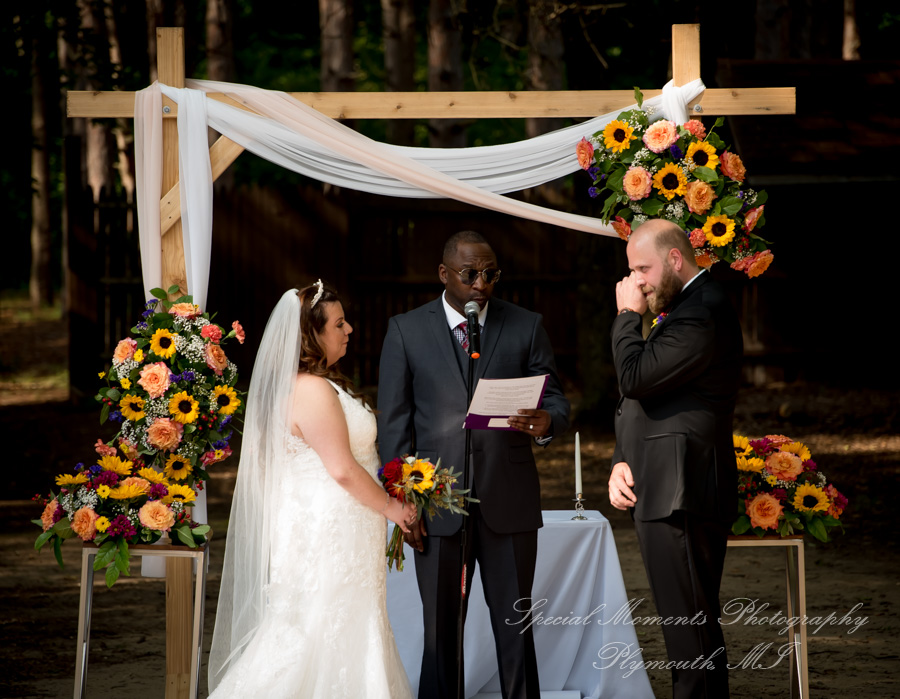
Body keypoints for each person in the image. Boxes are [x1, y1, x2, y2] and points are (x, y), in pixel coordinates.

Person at [377, 231, 570, 699]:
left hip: (509, 500)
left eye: (490, 274)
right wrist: (404, 503)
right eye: (470, 274)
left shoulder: (525, 325)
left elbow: (556, 400)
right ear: (444, 274)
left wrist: (547, 422)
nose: (481, 284)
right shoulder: (405, 330)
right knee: (440, 632)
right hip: (436, 505)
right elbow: (394, 426)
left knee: (515, 629)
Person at [208, 282, 417, 698]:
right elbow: (342, 468)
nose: (349, 329)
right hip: (328, 532)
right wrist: (394, 509)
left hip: (344, 525)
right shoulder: (310, 389)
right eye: (339, 324)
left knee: (346, 626)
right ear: (312, 334)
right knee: (319, 630)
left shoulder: (321, 384)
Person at [608, 219, 743, 698]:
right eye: (631, 271)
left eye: (642, 269)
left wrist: (627, 316)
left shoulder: (701, 312)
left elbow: (635, 377)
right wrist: (622, 458)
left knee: (691, 633)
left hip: (682, 490)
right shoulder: (684, 307)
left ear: (674, 259)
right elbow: (654, 398)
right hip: (664, 485)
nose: (636, 281)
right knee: (684, 628)